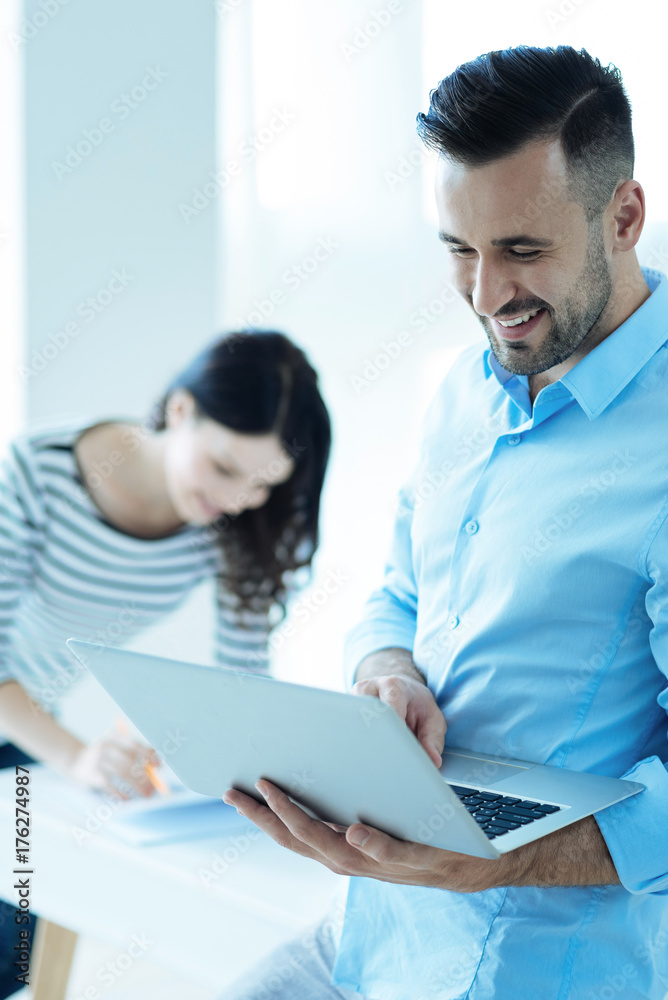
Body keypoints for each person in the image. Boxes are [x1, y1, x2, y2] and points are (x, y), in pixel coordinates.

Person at [219, 46, 668, 1000]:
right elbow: (398, 593)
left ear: (623, 216)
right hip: (369, 942)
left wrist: (502, 861)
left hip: (538, 969)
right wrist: (388, 673)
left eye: (523, 250)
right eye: (459, 250)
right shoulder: (464, 393)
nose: (485, 295)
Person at [0, 328, 330, 996]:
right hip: (25, 718)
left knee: (12, 949)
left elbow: (242, 679)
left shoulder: (231, 525)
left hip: (25, 719)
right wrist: (75, 756)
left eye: (265, 484)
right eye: (226, 468)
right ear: (180, 411)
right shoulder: (39, 471)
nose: (241, 499)